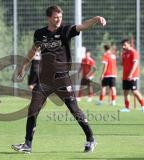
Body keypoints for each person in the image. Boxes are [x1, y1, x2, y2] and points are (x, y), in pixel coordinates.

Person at [11, 5, 106, 153]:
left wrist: (95, 19)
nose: (58, 20)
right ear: (48, 18)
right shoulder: (39, 33)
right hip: (44, 80)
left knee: (74, 109)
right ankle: (27, 145)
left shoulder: (65, 30)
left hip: (62, 79)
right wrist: (23, 66)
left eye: (60, 17)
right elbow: (33, 50)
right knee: (32, 110)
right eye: (56, 17)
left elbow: (83, 26)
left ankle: (91, 139)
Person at [119, 38, 144, 112]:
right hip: (125, 76)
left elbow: (135, 64)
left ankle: (143, 106)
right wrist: (120, 56)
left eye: (125, 45)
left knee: (134, 91)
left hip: (132, 75)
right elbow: (122, 64)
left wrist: (130, 74)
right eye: (122, 45)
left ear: (129, 44)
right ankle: (127, 108)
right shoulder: (124, 53)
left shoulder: (133, 52)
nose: (123, 47)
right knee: (126, 92)